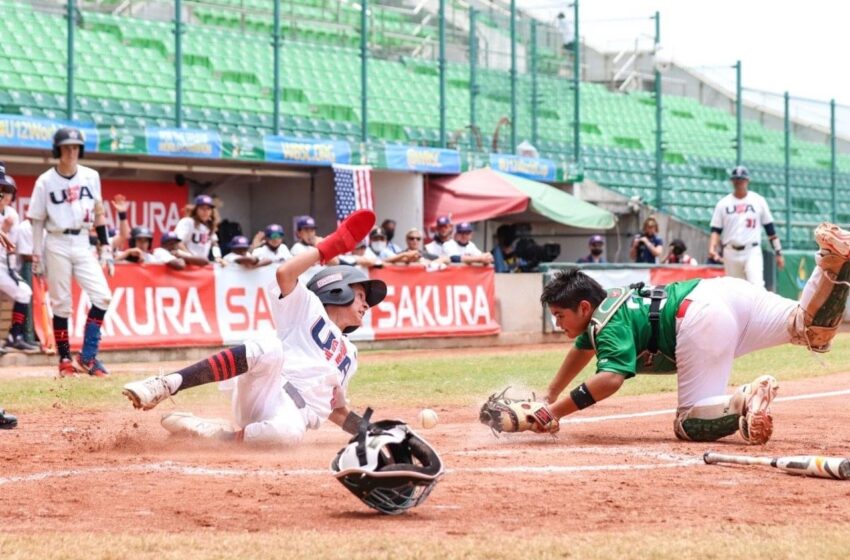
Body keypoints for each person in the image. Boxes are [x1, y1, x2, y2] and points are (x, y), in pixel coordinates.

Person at [526, 222, 850, 446]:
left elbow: (610, 378)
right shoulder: (606, 305)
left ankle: (744, 399)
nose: (557, 325)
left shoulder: (607, 325)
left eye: (559, 316)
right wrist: (549, 394)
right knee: (808, 327)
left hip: (697, 319)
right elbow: (582, 350)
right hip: (723, 291)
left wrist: (551, 412)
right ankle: (832, 261)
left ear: (584, 307)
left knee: (688, 424)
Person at [122, 210, 385, 447]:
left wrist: (370, 432)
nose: (366, 305)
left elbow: (336, 410)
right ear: (337, 289)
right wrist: (331, 246)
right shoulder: (308, 306)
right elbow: (285, 274)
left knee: (289, 435)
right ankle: (166, 385)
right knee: (270, 347)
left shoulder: (350, 354)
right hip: (267, 389)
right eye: (361, 295)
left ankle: (212, 434)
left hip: (290, 416)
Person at [28, 128, 114, 376]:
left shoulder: (91, 176)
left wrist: (106, 246)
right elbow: (36, 220)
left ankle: (87, 356)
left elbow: (99, 212)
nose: (71, 151)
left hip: (83, 241)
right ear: (57, 150)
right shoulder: (45, 181)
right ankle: (65, 358)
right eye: (66, 147)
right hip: (56, 241)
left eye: (75, 147)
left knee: (102, 296)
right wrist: (36, 255)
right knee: (62, 304)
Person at [708, 166, 784, 288]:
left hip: (752, 250)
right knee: (734, 289)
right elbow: (716, 229)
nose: (739, 182)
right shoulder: (723, 203)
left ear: (747, 181)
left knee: (757, 286)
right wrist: (712, 247)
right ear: (732, 181)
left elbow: (770, 229)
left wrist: (778, 252)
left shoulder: (758, 200)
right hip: (730, 251)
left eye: (741, 179)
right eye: (736, 179)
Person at [0, 163, 38, 353]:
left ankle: (15, 336)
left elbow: (13, 247)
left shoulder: (12, 214)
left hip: (6, 267)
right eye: (2, 191)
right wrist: (3, 230)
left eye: (7, 191)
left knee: (24, 291)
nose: (4, 195)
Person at [175, 194, 222, 263]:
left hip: (201, 264)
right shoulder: (187, 222)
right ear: (196, 209)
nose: (205, 211)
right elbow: (177, 242)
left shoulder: (210, 225)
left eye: (208, 209)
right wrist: (190, 257)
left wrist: (218, 257)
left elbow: (214, 243)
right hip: (186, 262)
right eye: (202, 208)